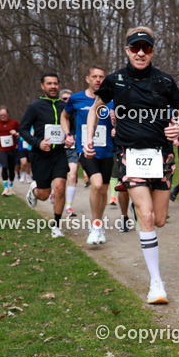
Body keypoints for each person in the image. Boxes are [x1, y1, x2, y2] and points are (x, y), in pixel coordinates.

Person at [86, 27, 179, 303]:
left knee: (159, 219)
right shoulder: (115, 79)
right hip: (130, 154)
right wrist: (89, 138)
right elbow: (95, 108)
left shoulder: (164, 80)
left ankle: (147, 232)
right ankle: (156, 283)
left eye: (147, 48)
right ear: (127, 50)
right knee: (147, 214)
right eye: (135, 48)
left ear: (152, 51)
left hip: (162, 154)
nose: (141, 53)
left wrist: (178, 127)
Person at [65, 66, 115, 245]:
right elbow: (65, 116)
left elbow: (117, 123)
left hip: (107, 150)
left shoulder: (111, 100)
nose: (98, 80)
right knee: (97, 184)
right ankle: (95, 226)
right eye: (94, 76)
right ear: (87, 78)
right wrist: (67, 135)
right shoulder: (76, 98)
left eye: (101, 76)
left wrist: (116, 125)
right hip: (86, 150)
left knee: (103, 190)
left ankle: (98, 224)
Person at [20, 72, 71, 238]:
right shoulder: (34, 106)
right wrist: (38, 143)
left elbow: (74, 126)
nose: (53, 86)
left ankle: (56, 225)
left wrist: (72, 138)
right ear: (43, 86)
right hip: (40, 155)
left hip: (59, 153)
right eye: (49, 83)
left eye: (55, 83)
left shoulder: (65, 107)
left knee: (60, 186)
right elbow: (23, 129)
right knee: (44, 195)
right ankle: (34, 191)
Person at [58, 88, 81, 217]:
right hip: (59, 147)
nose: (67, 101)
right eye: (65, 99)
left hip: (73, 147)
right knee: (59, 177)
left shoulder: (77, 112)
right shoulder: (56, 112)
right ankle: (54, 193)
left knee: (72, 175)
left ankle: (69, 206)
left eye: (70, 99)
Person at [0, 107, 20, 196]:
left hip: (12, 148)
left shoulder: (14, 123)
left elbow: (21, 132)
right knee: (4, 166)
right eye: (1, 115)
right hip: (1, 148)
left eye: (4, 115)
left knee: (11, 168)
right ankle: (5, 187)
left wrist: (16, 133)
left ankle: (11, 186)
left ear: (7, 114)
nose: (2, 117)